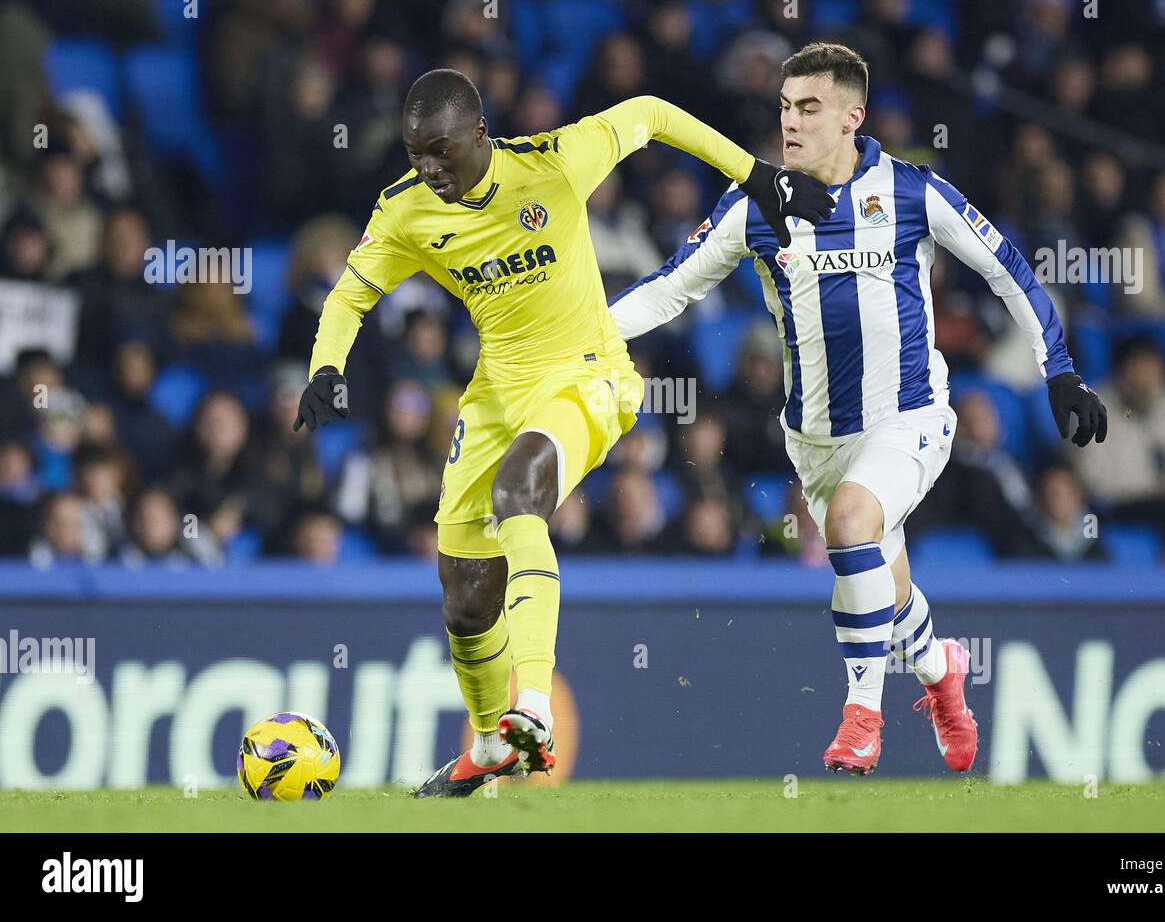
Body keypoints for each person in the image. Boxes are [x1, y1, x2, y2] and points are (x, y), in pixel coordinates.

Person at [292, 68, 834, 797]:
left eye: (442, 152)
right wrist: (326, 367)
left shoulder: (552, 162)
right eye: (417, 153)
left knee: (521, 495)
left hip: (588, 373)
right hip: (494, 394)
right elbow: (352, 295)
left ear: (480, 133)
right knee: (464, 592)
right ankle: (487, 744)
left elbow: (648, 109)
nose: (429, 169)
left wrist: (757, 174)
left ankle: (533, 712)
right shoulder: (406, 211)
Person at [611, 42, 1107, 777]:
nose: (790, 122)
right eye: (783, 107)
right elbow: (670, 287)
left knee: (850, 524)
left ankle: (861, 719)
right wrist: (580, 337)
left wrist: (1058, 371)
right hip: (815, 441)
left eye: (808, 107)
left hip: (909, 419)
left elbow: (1009, 272)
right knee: (887, 584)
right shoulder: (758, 203)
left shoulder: (911, 192)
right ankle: (941, 670)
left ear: (852, 116)